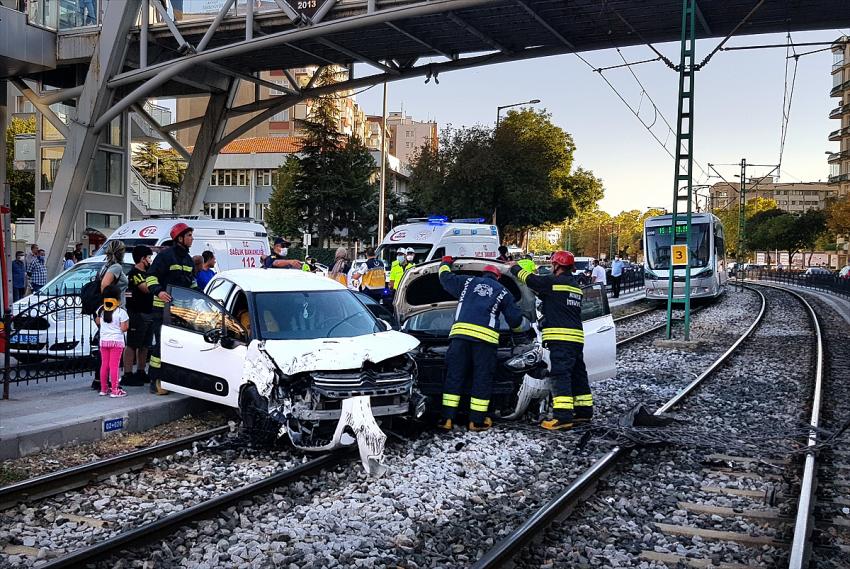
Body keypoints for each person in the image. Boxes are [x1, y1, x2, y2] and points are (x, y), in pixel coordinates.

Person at [437, 258, 523, 432]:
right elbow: (515, 320)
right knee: (481, 379)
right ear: (497, 278)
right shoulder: (503, 292)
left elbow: (444, 277)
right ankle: (476, 421)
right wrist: (518, 330)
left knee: (454, 376)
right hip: (485, 342)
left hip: (460, 338)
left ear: (483, 274)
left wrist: (444, 263)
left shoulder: (467, 282)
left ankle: (447, 419)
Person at [511, 250, 593, 430]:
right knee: (578, 374)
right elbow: (554, 300)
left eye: (552, 264)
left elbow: (532, 280)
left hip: (561, 338)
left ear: (557, 266)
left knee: (560, 374)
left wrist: (515, 268)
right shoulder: (574, 286)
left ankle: (563, 418)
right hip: (576, 338)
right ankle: (583, 412)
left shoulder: (553, 282)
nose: (550, 267)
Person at [146, 223, 197, 395]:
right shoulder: (165, 256)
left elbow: (192, 284)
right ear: (180, 238)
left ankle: (173, 379)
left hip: (180, 311)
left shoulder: (188, 260)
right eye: (189, 235)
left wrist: (200, 298)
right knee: (161, 345)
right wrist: (158, 291)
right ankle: (155, 380)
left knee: (178, 346)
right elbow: (151, 277)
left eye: (191, 235)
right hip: (162, 310)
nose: (192, 238)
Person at [123, 245, 154, 387]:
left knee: (145, 345)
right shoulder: (134, 274)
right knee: (132, 344)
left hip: (148, 312)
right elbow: (146, 289)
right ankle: (128, 374)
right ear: (142, 259)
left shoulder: (149, 273)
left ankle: (141, 371)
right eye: (149, 257)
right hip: (137, 314)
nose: (151, 260)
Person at [95, 285, 130, 398]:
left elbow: (98, 322)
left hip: (104, 341)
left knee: (104, 365)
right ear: (118, 298)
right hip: (116, 342)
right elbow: (124, 328)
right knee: (114, 366)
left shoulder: (100, 309)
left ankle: (104, 389)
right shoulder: (121, 312)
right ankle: (115, 390)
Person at [101, 241, 128, 307]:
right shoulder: (116, 267)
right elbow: (104, 285)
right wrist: (109, 306)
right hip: (116, 307)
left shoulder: (105, 266)